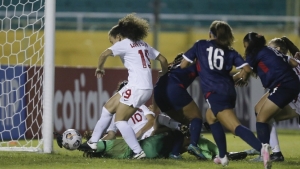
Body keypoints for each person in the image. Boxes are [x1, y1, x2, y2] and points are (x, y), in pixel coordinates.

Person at [180, 21, 270, 168]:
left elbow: (184, 64)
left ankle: (262, 149)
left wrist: (199, 62)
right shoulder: (231, 52)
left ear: (211, 34)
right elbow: (247, 69)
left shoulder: (200, 45)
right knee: (211, 117)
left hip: (215, 93)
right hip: (229, 91)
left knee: (235, 126)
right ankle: (222, 156)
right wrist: (243, 78)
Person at [88, 13, 169, 159]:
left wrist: (100, 68)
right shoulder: (143, 44)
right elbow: (163, 59)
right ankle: (93, 142)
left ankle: (138, 152)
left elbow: (103, 54)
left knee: (120, 121)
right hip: (141, 86)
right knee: (108, 108)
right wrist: (163, 73)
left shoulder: (123, 43)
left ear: (118, 36)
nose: (113, 44)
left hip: (137, 87)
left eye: (111, 41)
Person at [242, 32, 300, 168]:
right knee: (261, 112)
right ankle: (271, 151)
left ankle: (269, 151)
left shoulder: (284, 65)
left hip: (296, 98)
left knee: (263, 117)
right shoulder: (288, 62)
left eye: (270, 47)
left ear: (277, 50)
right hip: (293, 96)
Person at [152, 53, 206, 160]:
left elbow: (158, 84)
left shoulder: (172, 66)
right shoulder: (195, 63)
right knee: (196, 117)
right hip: (174, 88)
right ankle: (193, 145)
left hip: (158, 92)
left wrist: (155, 108)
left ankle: (175, 153)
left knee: (182, 123)